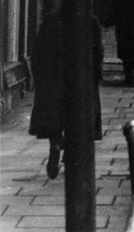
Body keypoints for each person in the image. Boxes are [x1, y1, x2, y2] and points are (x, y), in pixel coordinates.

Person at [29, 11, 103, 179]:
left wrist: (39, 77)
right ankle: (70, 155)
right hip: (80, 80)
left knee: (55, 119)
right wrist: (95, 75)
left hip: (54, 80)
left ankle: (55, 143)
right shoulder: (90, 21)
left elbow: (37, 51)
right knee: (77, 119)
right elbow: (98, 51)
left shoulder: (51, 20)